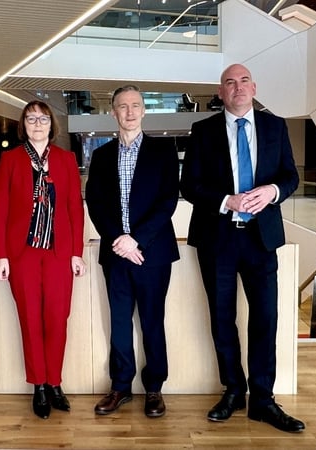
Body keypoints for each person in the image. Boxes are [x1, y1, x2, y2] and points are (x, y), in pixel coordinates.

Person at [180, 64, 304, 433]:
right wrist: (225, 200)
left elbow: (290, 176)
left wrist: (272, 191)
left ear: (254, 87)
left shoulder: (275, 126)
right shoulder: (202, 131)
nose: (238, 87)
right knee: (221, 319)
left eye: (244, 81)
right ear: (221, 92)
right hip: (218, 237)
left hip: (261, 239)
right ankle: (233, 390)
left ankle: (263, 400)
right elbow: (190, 186)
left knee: (265, 317)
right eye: (230, 83)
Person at [85, 85, 180, 418]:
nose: (129, 111)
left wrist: (136, 239)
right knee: (120, 322)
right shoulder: (101, 155)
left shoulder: (163, 150)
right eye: (122, 106)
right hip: (116, 253)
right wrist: (119, 239)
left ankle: (154, 388)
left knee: (153, 321)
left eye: (135, 105)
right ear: (113, 112)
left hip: (152, 252)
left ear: (143, 111)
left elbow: (168, 200)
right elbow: (95, 204)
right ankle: (120, 386)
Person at [0, 100, 86, 419]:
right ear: (23, 125)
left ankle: (55, 382)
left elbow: (75, 207)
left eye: (42, 119)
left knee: (57, 319)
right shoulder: (10, 160)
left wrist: (77, 252)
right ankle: (39, 386)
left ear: (51, 124)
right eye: (30, 119)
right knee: (30, 319)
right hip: (23, 254)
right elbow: (0, 209)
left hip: (59, 252)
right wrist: (1, 255)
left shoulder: (66, 159)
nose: (37, 123)